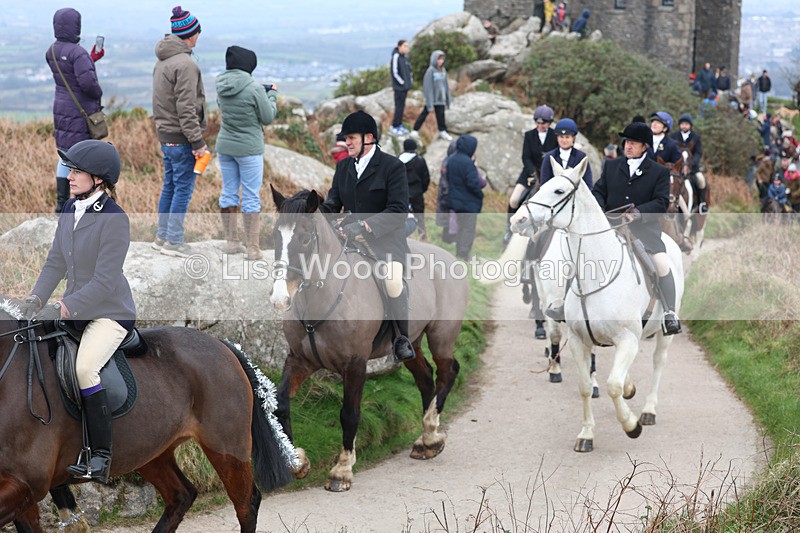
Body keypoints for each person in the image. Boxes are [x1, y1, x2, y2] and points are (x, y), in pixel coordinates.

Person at [19, 140, 136, 483]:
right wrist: (36, 299)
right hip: (75, 307)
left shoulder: (115, 219)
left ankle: (100, 456)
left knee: (85, 369)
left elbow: (104, 280)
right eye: (69, 170)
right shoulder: (71, 207)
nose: (68, 176)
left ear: (99, 179)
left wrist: (64, 306)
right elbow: (55, 261)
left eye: (76, 171)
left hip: (108, 312)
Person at [321, 111, 415, 362]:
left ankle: (400, 338)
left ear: (369, 138)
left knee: (393, 282)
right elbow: (333, 203)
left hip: (386, 241)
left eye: (351, 138)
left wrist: (364, 226)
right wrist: (313, 215)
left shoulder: (392, 167)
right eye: (345, 138)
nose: (346, 143)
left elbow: (397, 210)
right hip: (350, 240)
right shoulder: (343, 167)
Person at [151, 6, 207, 258]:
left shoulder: (162, 61)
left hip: (166, 136)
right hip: (182, 138)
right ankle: (174, 241)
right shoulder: (185, 64)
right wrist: (197, 142)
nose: (198, 36)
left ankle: (162, 236)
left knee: (170, 186)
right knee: (182, 188)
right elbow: (187, 108)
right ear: (189, 34)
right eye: (197, 32)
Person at [215, 45, 277, 260]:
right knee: (251, 196)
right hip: (249, 148)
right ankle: (252, 248)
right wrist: (272, 96)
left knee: (228, 192)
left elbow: (222, 109)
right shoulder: (254, 88)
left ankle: (231, 242)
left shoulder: (221, 85)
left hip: (225, 146)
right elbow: (267, 117)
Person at [46, 8, 105, 214]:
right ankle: (81, 203)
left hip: (61, 108)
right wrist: (99, 92)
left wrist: (91, 59)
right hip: (79, 112)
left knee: (65, 156)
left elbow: (69, 72)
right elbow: (88, 84)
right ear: (76, 25)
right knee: (82, 157)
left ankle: (61, 204)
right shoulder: (77, 52)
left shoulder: (52, 50)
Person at [503, 105, 557, 244]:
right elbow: (525, 157)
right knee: (514, 200)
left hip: (548, 174)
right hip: (529, 172)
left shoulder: (555, 136)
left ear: (549, 123)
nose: (540, 125)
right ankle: (509, 229)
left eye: (543, 123)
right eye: (537, 122)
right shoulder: (529, 135)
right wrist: (532, 173)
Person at [445, 135, 484, 260]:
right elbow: (473, 183)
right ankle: (464, 254)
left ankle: (458, 252)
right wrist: (479, 194)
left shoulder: (451, 159)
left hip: (455, 200)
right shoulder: (468, 163)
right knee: (468, 229)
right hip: (469, 202)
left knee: (461, 226)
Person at [539, 118, 593, 188]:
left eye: (567, 137)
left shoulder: (581, 157)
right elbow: (544, 183)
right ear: (557, 138)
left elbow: (588, 184)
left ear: (573, 138)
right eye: (561, 137)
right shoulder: (549, 157)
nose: (564, 140)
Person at [412, 50, 452, 141]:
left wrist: (448, 98)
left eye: (442, 59)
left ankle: (442, 131)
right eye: (438, 59)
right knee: (425, 113)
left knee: (441, 115)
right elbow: (427, 86)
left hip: (441, 98)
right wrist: (429, 101)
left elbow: (446, 85)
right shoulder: (430, 71)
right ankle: (415, 130)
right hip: (432, 98)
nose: (440, 61)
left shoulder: (443, 71)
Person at [671, 113, 707, 213]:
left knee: (701, 180)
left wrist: (690, 165)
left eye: (686, 124)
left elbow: (698, 152)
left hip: (692, 167)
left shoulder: (695, 137)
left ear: (690, 125)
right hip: (677, 168)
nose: (684, 126)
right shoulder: (674, 136)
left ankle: (702, 204)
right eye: (682, 124)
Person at [398, 138, 430, 240]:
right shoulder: (420, 160)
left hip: (402, 193)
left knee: (402, 216)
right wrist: (421, 189)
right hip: (417, 193)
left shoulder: (397, 160)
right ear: (415, 148)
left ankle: (404, 236)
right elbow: (426, 178)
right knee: (419, 216)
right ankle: (422, 237)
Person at [390, 40, 413, 136]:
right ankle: (394, 126)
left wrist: (410, 81)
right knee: (398, 107)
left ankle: (399, 124)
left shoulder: (404, 58)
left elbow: (409, 71)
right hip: (399, 88)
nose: (406, 48)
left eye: (407, 46)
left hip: (405, 88)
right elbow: (394, 72)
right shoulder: (396, 56)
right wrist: (402, 83)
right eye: (405, 46)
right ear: (399, 46)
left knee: (402, 106)